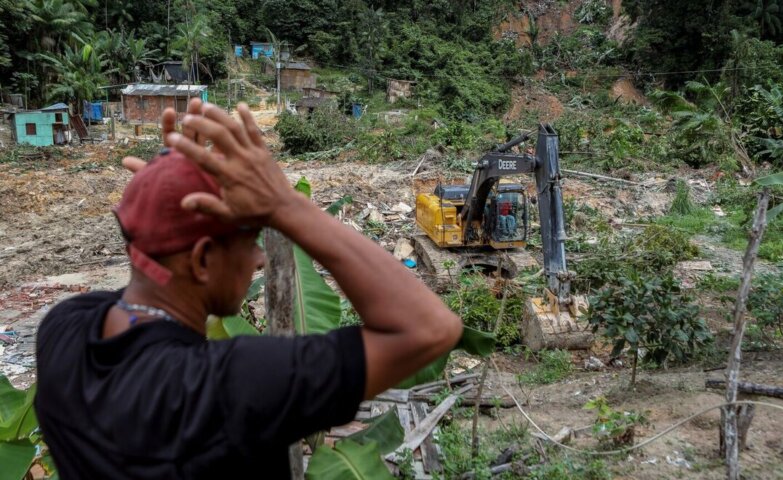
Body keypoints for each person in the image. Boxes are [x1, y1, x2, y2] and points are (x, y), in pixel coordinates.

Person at [34, 100, 463, 479]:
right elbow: (431, 329)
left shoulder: (64, 332)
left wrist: (163, 194)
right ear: (202, 260)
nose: (260, 258)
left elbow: (151, 261)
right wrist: (284, 204)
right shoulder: (235, 386)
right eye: (252, 238)